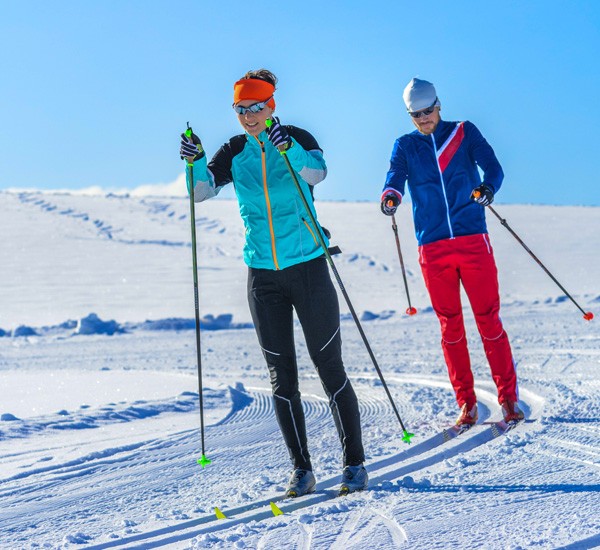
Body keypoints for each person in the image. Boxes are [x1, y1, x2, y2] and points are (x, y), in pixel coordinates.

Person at [180, 69, 367, 496]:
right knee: (282, 378)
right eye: (241, 109)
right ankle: (302, 469)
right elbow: (201, 192)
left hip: (309, 267)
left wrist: (292, 153)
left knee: (329, 367)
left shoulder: (297, 136)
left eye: (256, 107)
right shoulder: (234, 151)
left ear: (271, 106)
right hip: (263, 276)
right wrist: (193, 161)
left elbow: (318, 173)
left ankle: (353, 463)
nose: (249, 115)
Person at [380, 77, 524, 430]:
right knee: (451, 328)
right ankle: (467, 404)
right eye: (416, 114)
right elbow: (395, 176)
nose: (423, 118)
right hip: (433, 247)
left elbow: (494, 168)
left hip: (472, 239)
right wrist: (391, 196)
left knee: (488, 320)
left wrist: (487, 187)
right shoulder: (406, 145)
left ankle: (508, 399)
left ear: (438, 105)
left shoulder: (463, 131)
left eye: (428, 111)